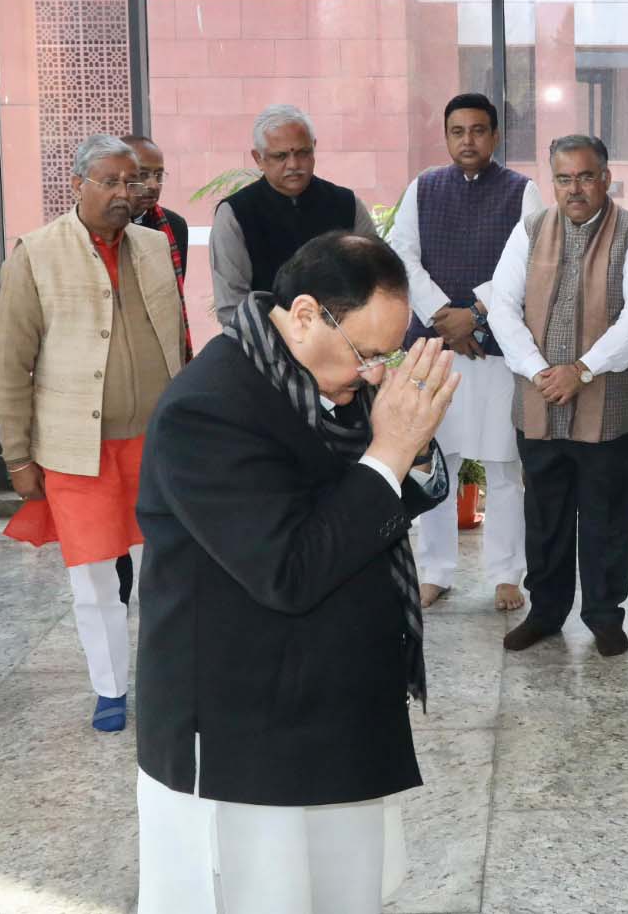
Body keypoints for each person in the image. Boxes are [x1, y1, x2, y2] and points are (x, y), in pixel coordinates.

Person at [134, 232, 457, 914]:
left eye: (387, 357)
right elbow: (288, 568)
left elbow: (376, 489)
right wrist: (391, 451)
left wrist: (413, 449)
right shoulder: (209, 408)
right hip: (246, 732)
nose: (375, 374)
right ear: (305, 314)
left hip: (335, 708)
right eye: (368, 353)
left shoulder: (317, 374)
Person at [0, 134, 184, 733]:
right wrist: (18, 457)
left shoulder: (154, 247)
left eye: (134, 183)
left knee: (169, 569)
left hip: (156, 443)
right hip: (77, 450)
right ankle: (109, 689)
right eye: (112, 182)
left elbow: (177, 343)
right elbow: (10, 363)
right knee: (95, 577)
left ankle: (168, 678)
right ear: (77, 185)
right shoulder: (36, 253)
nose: (127, 194)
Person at [487, 135, 628, 656]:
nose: (575, 188)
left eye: (586, 176)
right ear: (552, 182)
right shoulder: (530, 229)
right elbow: (502, 305)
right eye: (563, 179)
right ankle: (545, 613)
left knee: (606, 514)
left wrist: (581, 371)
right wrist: (543, 371)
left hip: (608, 405)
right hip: (541, 402)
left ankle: (606, 618)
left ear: (606, 178)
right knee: (545, 513)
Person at [389, 93, 540, 611]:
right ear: (447, 136)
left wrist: (473, 313)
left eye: (478, 130)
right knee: (436, 462)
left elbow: (528, 264)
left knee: (503, 467)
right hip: (436, 347)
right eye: (458, 131)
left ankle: (506, 575)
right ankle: (435, 571)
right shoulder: (424, 187)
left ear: (495, 137)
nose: (468, 140)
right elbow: (401, 253)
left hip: (497, 348)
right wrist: (441, 317)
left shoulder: (524, 191)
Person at [104, 133, 192, 608]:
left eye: (159, 175)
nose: (151, 185)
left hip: (163, 375)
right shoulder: (88, 230)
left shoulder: (171, 228)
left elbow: (172, 308)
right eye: (140, 175)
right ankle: (118, 593)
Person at [210, 104, 379, 329]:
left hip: (341, 347)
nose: (293, 165)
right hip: (266, 350)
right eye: (280, 156)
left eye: (303, 153)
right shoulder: (235, 215)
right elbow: (233, 307)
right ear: (258, 158)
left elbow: (376, 278)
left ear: (314, 149)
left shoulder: (346, 204)